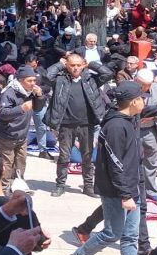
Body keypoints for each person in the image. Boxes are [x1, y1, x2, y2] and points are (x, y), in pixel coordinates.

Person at [43, 52, 108, 197]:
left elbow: (108, 74)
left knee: (87, 156)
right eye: (72, 65)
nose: (76, 68)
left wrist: (92, 64)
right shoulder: (60, 80)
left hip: (87, 124)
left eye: (79, 65)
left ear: (83, 65)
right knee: (64, 157)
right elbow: (46, 76)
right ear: (67, 65)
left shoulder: (91, 79)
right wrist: (60, 63)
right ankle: (60, 185)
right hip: (66, 124)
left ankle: (88, 186)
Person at [0, 67, 44, 192]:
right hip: (7, 134)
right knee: (7, 162)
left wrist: (39, 96)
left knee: (21, 161)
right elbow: (3, 114)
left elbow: (38, 108)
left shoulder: (30, 92)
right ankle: (3, 188)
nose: (33, 83)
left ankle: (18, 183)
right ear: (21, 80)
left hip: (22, 134)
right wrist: (21, 108)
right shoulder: (9, 93)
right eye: (30, 80)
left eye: (34, 80)